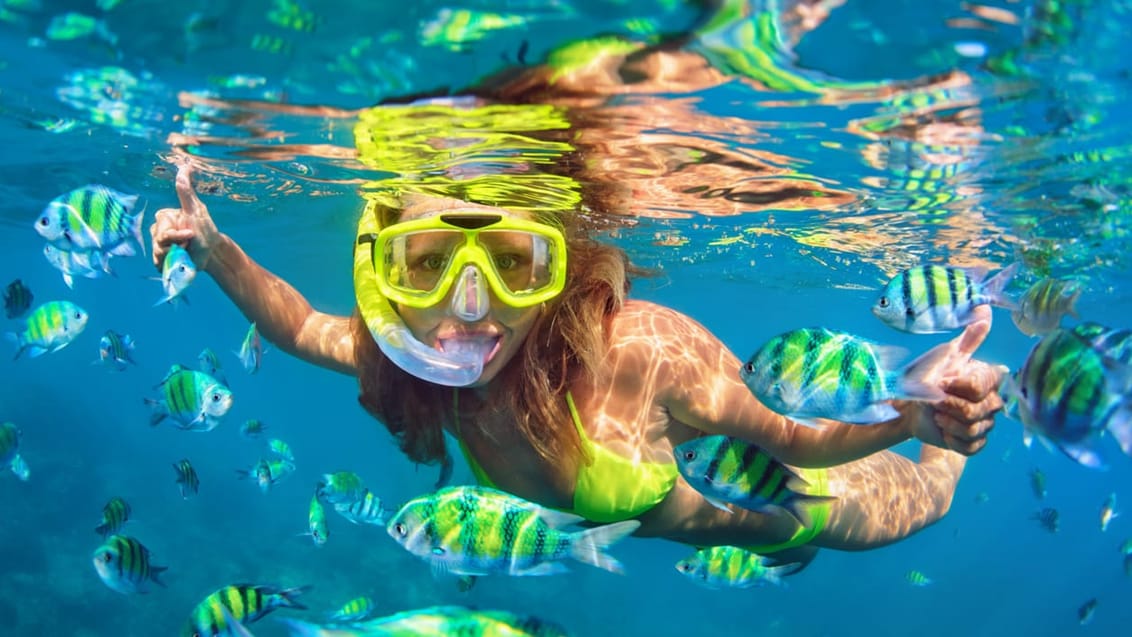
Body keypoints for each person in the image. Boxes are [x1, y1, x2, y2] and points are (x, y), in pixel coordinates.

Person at [150, 2, 1005, 569]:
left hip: (801, 509)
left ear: (558, 271)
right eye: (428, 262)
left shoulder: (640, 351)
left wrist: (915, 415)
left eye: (513, 262)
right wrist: (215, 249)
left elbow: (797, 434)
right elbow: (301, 327)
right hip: (704, 529)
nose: (468, 304)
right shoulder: (409, 361)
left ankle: (955, 406)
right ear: (384, 272)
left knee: (926, 494)